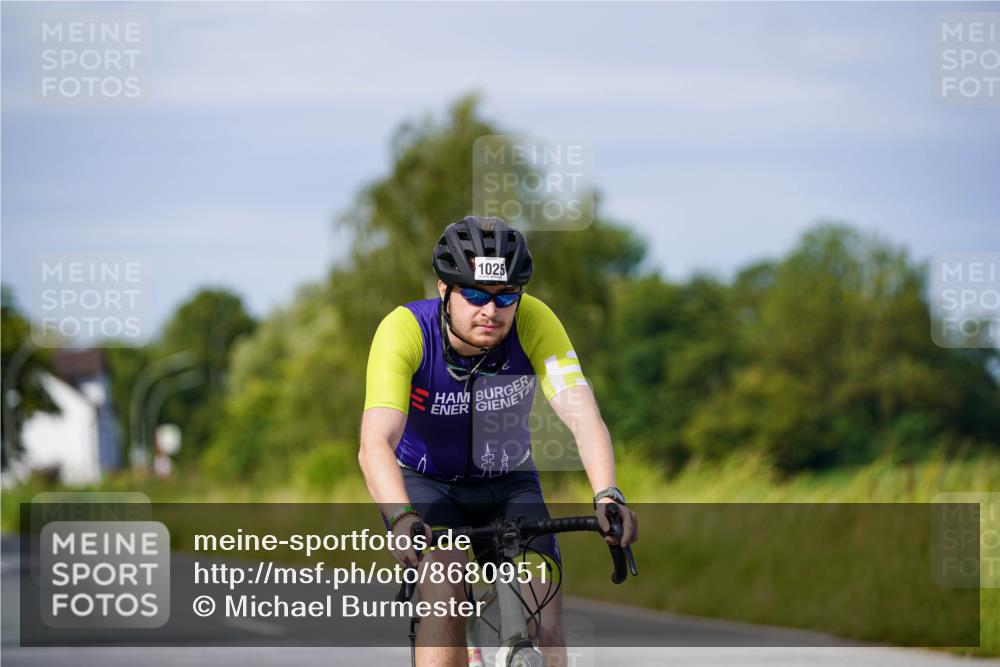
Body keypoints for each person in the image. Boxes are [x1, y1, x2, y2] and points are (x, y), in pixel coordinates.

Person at [359, 215, 638, 667]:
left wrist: (607, 493)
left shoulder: (535, 320)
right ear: (443, 289)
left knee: (544, 608)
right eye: (474, 295)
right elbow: (375, 443)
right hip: (426, 482)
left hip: (509, 481)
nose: (491, 310)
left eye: (506, 296)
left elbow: (582, 414)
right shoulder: (405, 329)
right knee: (445, 589)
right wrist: (401, 517)